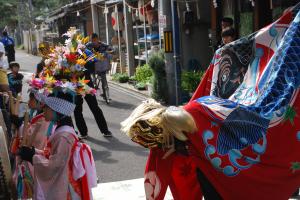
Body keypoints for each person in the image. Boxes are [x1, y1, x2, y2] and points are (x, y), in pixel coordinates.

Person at [18, 91, 97, 199]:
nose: (43, 110)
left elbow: (54, 166)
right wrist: (34, 151)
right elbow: (52, 156)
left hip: (65, 186)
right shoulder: (62, 130)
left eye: (46, 107)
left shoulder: (63, 137)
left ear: (57, 110)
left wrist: (32, 157)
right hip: (64, 178)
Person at [74, 48, 112, 139]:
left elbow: (92, 66)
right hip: (76, 84)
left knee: (93, 107)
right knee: (79, 109)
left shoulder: (85, 52)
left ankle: (103, 130)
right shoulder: (69, 56)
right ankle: (84, 132)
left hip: (85, 83)